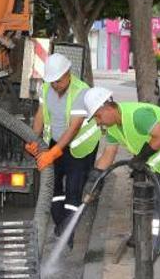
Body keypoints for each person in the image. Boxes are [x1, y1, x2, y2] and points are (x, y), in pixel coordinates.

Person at [82, 87, 160, 268]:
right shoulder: (112, 128)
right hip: (159, 162)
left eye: (97, 116)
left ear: (107, 107)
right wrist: (94, 180)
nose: (98, 122)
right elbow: (108, 154)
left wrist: (141, 158)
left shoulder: (137, 115)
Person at [25, 53, 102, 249]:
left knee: (73, 193)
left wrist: (53, 153)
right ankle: (61, 229)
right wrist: (34, 139)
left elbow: (74, 128)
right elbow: (40, 116)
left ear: (68, 74)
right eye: (51, 81)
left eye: (58, 81)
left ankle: (68, 236)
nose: (55, 85)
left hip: (80, 148)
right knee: (54, 188)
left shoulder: (81, 92)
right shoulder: (46, 88)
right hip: (56, 143)